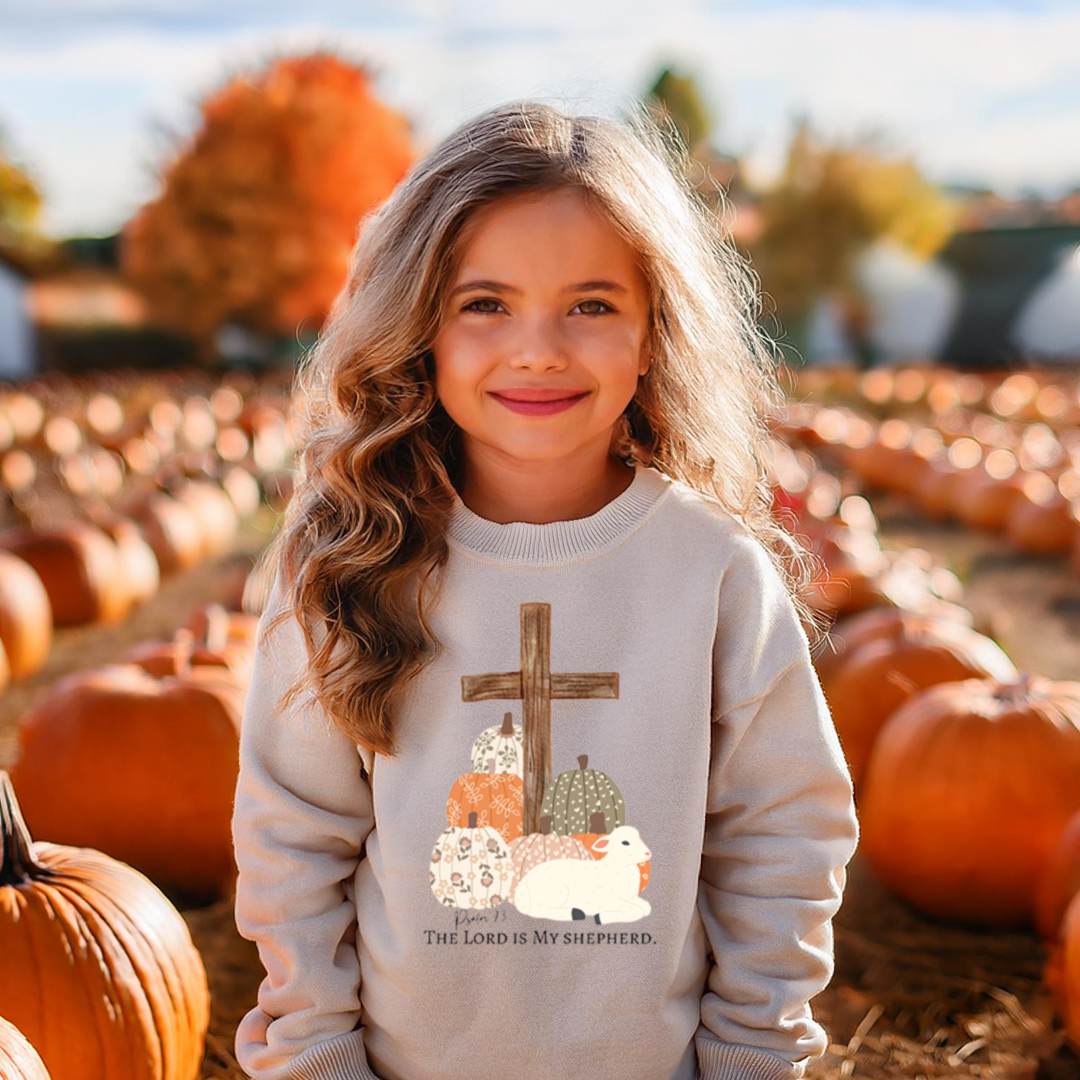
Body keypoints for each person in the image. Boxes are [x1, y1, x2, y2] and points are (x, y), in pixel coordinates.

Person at [230, 98, 859, 1080]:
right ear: (420, 326)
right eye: (485, 303)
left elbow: (783, 841)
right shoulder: (344, 563)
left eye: (592, 304)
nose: (539, 348)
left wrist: (751, 1057)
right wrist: (316, 1061)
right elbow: (291, 850)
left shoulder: (713, 572)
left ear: (654, 331)